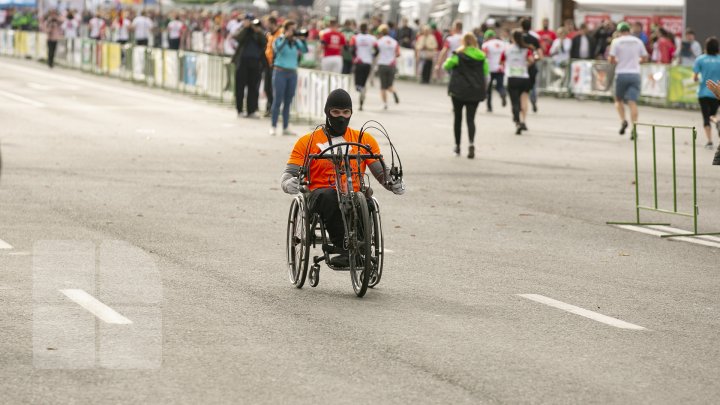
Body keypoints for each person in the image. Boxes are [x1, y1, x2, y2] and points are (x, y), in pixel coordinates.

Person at [280, 89, 405, 267]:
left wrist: (393, 183)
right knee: (330, 197)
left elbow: (381, 173)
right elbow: (288, 174)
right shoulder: (307, 141)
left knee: (366, 202)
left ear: (351, 113)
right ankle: (343, 249)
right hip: (321, 194)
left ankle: (360, 249)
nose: (341, 117)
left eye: (346, 112)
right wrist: (288, 183)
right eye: (336, 112)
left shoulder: (363, 139)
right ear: (327, 112)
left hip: (354, 193)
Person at [443, 32, 488, 158]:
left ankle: (457, 146)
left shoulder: (459, 54)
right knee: (471, 119)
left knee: (458, 119)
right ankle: (471, 143)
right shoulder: (481, 56)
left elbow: (446, 65)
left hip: (458, 90)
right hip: (475, 90)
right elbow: (486, 72)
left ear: (463, 42)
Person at [608, 22, 648, 138]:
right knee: (632, 102)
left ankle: (623, 120)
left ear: (619, 32)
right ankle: (634, 127)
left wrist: (618, 61)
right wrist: (637, 62)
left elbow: (611, 59)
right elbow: (645, 57)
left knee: (618, 100)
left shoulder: (616, 41)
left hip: (621, 73)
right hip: (635, 73)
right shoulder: (638, 41)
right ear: (629, 30)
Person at [269, 20, 308, 136]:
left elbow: (305, 50)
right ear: (286, 30)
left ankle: (285, 127)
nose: (293, 32)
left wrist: (302, 40)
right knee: (277, 100)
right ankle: (273, 126)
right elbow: (277, 49)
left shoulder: (295, 42)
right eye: (291, 29)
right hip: (280, 72)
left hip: (292, 73)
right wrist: (286, 38)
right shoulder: (279, 39)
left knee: (288, 101)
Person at [232, 15, 267, 118]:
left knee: (253, 87)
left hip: (255, 62)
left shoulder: (258, 31)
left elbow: (264, 42)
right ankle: (239, 110)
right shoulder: (242, 29)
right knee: (240, 87)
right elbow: (238, 38)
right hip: (242, 61)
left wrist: (258, 31)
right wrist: (246, 27)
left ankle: (251, 110)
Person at [502, 29, 535, 135]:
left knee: (514, 101)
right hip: (524, 77)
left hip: (512, 77)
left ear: (512, 38)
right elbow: (531, 61)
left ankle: (517, 121)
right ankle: (523, 120)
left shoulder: (507, 49)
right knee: (524, 100)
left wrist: (507, 67)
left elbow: (501, 61)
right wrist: (525, 66)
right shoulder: (527, 49)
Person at [693, 37, 720, 151]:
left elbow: (695, 77)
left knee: (705, 116)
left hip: (703, 92)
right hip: (717, 93)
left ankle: (709, 141)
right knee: (713, 115)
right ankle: (717, 122)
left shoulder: (700, 59)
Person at [350, 22, 376, 110]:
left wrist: (355, 57)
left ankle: (359, 90)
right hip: (368, 63)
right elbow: (377, 49)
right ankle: (361, 102)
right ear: (367, 29)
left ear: (360, 28)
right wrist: (372, 56)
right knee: (364, 84)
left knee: (357, 83)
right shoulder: (372, 38)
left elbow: (352, 49)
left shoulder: (355, 37)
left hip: (359, 62)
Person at [375, 24, 401, 110]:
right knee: (390, 85)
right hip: (391, 65)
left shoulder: (379, 41)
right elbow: (398, 54)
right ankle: (394, 92)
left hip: (382, 64)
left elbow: (375, 51)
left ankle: (385, 103)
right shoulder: (394, 42)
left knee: (383, 86)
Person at [481, 29, 507, 112]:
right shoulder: (503, 43)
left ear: (487, 37)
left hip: (490, 68)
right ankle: (502, 93)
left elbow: (484, 56)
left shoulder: (486, 45)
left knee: (489, 88)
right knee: (500, 86)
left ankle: (489, 107)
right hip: (500, 68)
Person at [520, 18, 542, 113]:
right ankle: (533, 101)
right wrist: (533, 60)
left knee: (520, 89)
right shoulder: (534, 39)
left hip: (519, 67)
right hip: (531, 66)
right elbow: (541, 55)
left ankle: (519, 106)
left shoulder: (518, 38)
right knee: (532, 87)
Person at [263, 16, 282, 117]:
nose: (266, 25)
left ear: (273, 23)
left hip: (275, 64)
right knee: (267, 88)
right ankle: (269, 107)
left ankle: (273, 109)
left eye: (267, 23)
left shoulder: (280, 34)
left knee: (273, 88)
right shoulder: (269, 35)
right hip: (268, 64)